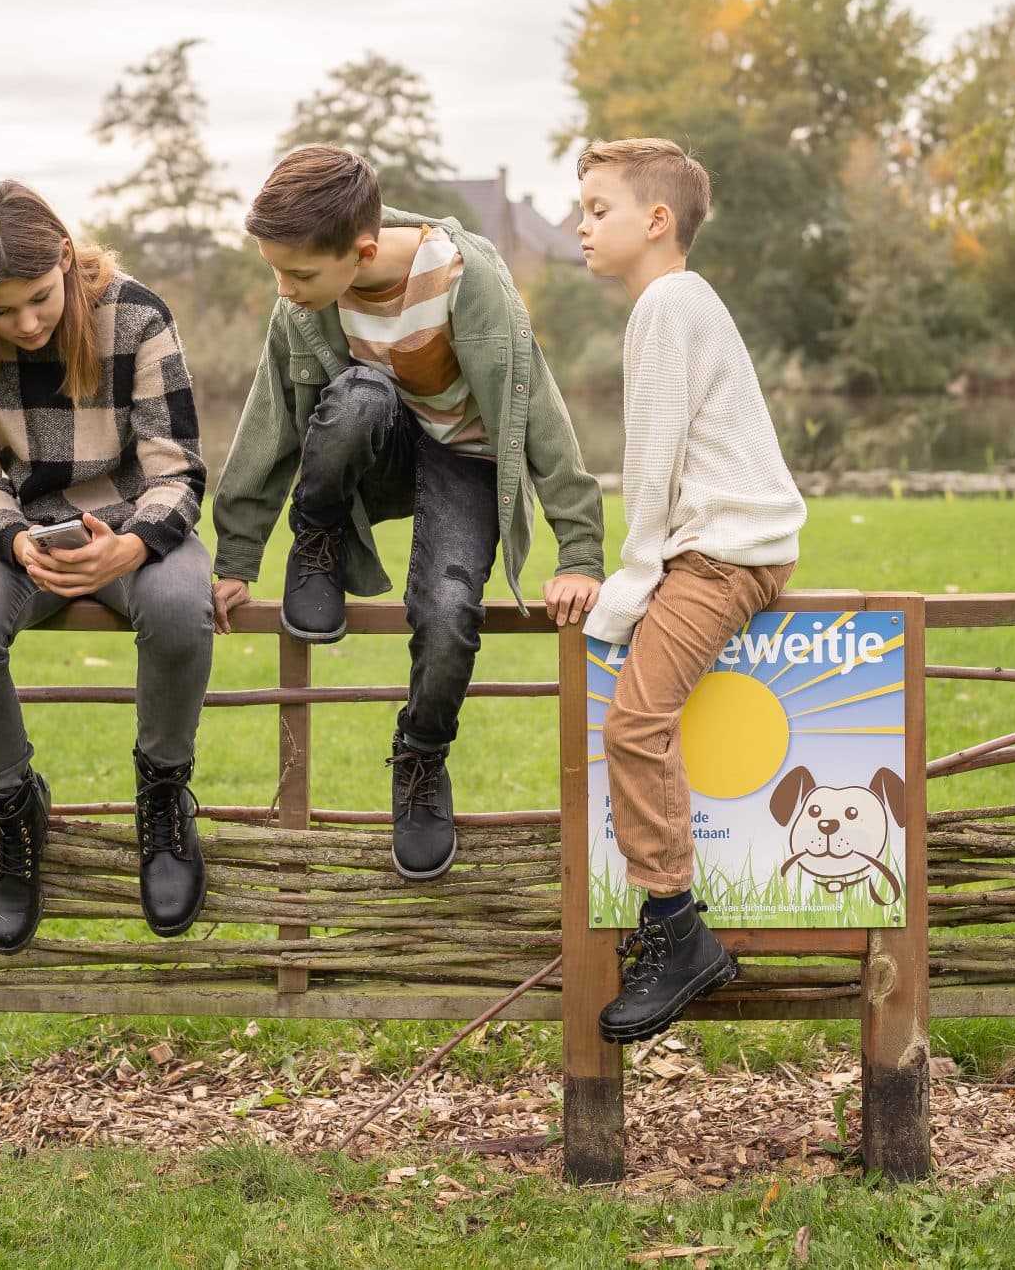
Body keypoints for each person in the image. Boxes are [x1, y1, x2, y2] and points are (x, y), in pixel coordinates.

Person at [209, 145, 605, 879]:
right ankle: (320, 539)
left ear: (361, 251)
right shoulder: (301, 305)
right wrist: (236, 557)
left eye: (298, 274)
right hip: (379, 442)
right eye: (275, 270)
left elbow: (540, 413)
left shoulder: (469, 281)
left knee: (452, 612)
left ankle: (421, 755)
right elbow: (271, 423)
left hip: (468, 457)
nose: (284, 289)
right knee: (358, 398)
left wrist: (579, 548)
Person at [0, 180, 212, 954]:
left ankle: (163, 792)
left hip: (137, 525)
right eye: (2, 312)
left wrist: (133, 542)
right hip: (22, 536)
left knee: (179, 608)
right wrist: (14, 542)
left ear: (66, 259)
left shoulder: (135, 315)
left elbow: (177, 468)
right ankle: (12, 808)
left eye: (39, 299)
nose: (28, 323)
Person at [574, 137, 805, 1042]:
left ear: (656, 220)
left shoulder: (666, 304)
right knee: (641, 718)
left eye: (599, 209)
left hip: (724, 553)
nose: (583, 228)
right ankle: (674, 929)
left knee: (635, 724)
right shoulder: (677, 301)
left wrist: (626, 589)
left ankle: (677, 932)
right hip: (722, 542)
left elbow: (654, 459)